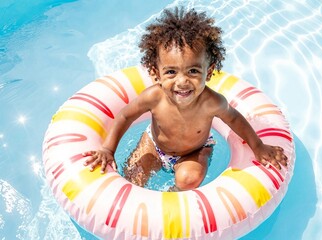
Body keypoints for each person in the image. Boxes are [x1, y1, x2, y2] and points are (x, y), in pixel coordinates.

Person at [83, 7, 288, 191]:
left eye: (192, 71)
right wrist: (108, 149)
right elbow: (124, 116)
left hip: (195, 150)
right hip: (154, 145)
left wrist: (258, 146)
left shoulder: (212, 102)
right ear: (156, 73)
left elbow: (234, 119)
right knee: (133, 177)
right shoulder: (153, 97)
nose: (182, 81)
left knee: (188, 179)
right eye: (171, 71)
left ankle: (173, 202)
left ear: (208, 73)